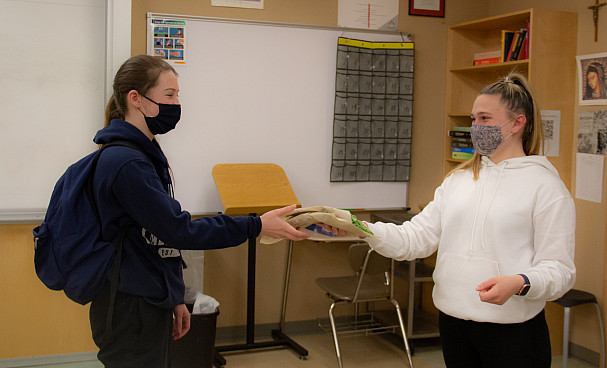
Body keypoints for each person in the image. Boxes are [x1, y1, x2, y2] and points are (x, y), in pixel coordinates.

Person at [324, 72, 576, 367]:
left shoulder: (545, 187)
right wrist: (361, 229)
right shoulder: (458, 181)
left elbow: (560, 270)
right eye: (473, 119)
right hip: (454, 323)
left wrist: (520, 282)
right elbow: (414, 238)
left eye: (485, 118)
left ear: (517, 123)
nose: (475, 128)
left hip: (513, 330)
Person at [88, 54, 309, 367]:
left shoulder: (145, 156)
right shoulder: (125, 164)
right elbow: (180, 230)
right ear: (135, 98)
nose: (176, 103)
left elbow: (157, 239)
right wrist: (255, 225)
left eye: (178, 95)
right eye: (169, 95)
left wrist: (175, 296)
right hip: (129, 305)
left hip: (149, 297)